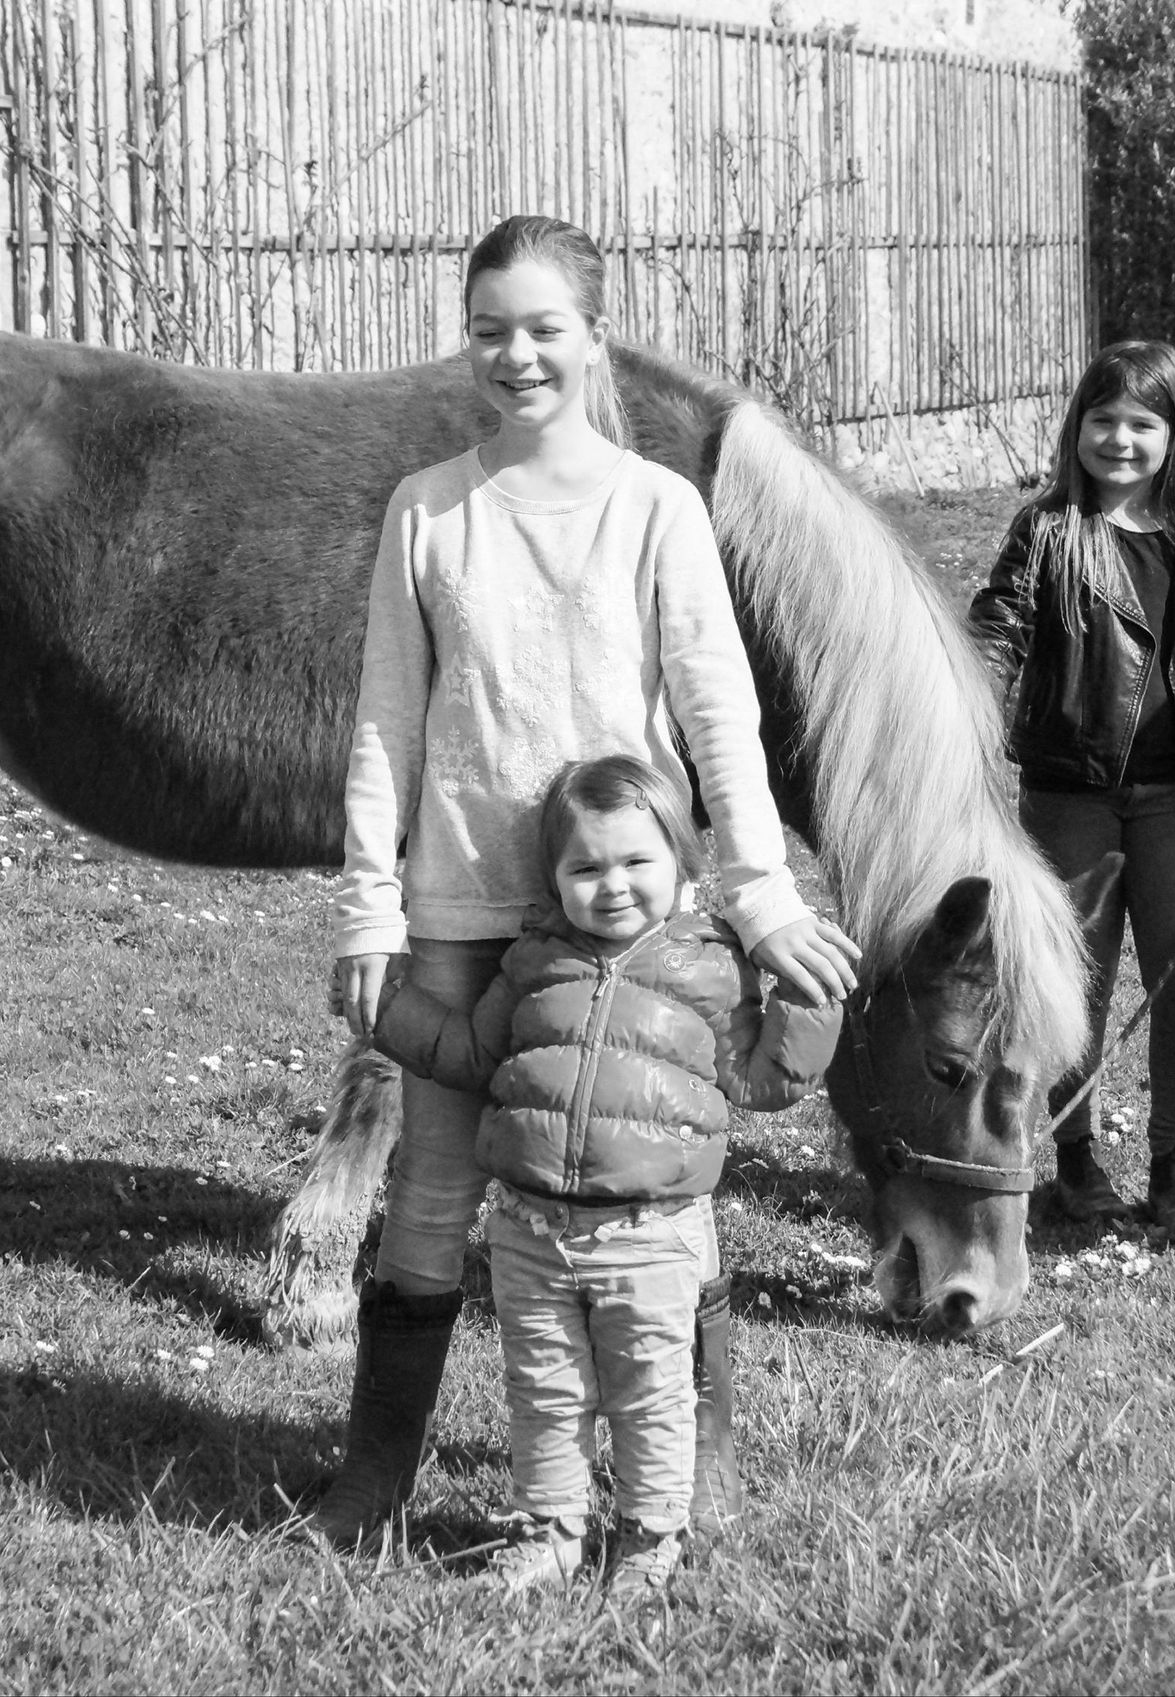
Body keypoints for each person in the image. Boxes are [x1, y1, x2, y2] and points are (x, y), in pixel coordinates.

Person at [318, 214, 859, 1551]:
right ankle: (374, 1477)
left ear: (592, 338)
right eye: (491, 329)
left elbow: (716, 707)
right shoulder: (428, 508)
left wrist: (759, 889)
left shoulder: (654, 507)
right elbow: (390, 714)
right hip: (461, 909)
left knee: (656, 1168)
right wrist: (369, 908)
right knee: (435, 1190)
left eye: (544, 327)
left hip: (629, 925)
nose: (517, 355)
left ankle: (694, 1475)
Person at [365, 755, 841, 1595]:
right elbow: (474, 1053)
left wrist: (812, 1001)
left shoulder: (712, 967)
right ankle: (548, 1529)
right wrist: (387, 1008)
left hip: (649, 1236)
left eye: (636, 862)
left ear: (683, 864)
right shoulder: (531, 960)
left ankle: (651, 1536)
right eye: (586, 866)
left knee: (650, 1391)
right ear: (552, 876)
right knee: (543, 1389)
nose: (612, 885)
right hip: (528, 1228)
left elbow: (762, 1081)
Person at [968, 340, 1175, 1245]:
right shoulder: (1049, 531)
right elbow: (998, 627)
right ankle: (1075, 1159)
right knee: (1074, 987)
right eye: (1104, 421)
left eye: (1143, 424)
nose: (1121, 441)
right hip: (1071, 797)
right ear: (1077, 429)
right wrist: (968, 704)